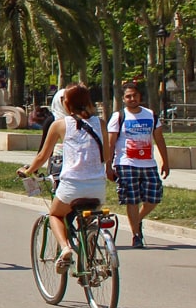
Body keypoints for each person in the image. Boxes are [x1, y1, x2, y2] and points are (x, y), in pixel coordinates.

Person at [19, 82, 111, 273]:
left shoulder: (60, 125)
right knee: (89, 222)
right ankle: (91, 260)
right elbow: (107, 155)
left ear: (66, 104)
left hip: (72, 186)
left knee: (55, 214)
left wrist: (27, 171)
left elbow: (42, 157)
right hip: (97, 187)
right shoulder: (100, 123)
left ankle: (66, 248)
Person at [106, 81, 170, 248]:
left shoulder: (150, 115)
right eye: (128, 96)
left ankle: (137, 220)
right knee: (132, 200)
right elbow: (111, 144)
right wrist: (108, 166)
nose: (132, 98)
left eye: (135, 95)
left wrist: (165, 161)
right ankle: (136, 235)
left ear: (140, 96)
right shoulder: (119, 117)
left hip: (148, 164)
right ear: (123, 99)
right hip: (125, 163)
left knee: (154, 198)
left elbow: (159, 139)